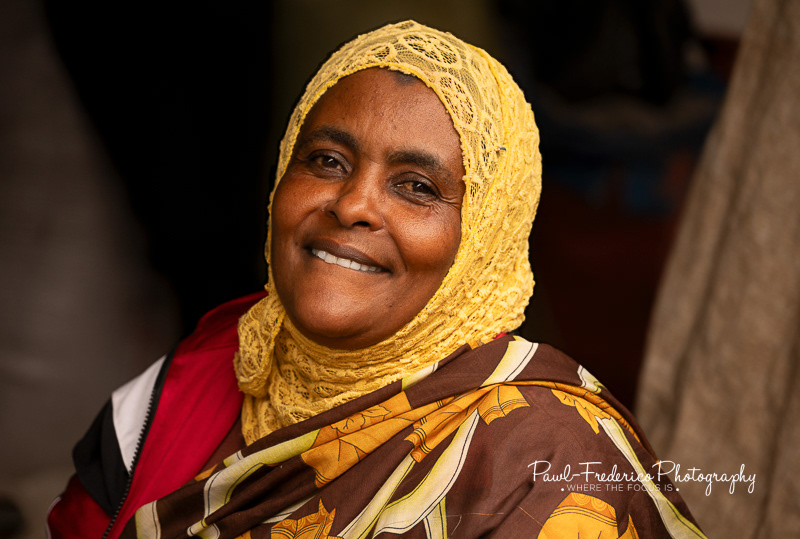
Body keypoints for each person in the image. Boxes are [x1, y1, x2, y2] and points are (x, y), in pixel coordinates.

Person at [47, 21, 705, 538]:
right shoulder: (186, 380)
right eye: (327, 160)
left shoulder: (543, 460)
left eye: (416, 186)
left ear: (482, 237)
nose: (353, 203)